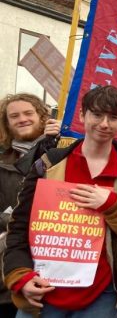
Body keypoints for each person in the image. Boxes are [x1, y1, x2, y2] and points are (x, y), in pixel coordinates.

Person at [3, 86, 117, 317]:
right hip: (43, 287)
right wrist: (20, 275)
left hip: (101, 293)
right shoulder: (48, 164)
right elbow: (19, 227)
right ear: (82, 116)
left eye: (113, 117)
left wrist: (112, 207)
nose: (104, 124)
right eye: (97, 114)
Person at [0, 93, 60, 317]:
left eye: (28, 113)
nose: (22, 119)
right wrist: (13, 219)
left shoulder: (58, 152)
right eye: (14, 116)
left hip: (53, 269)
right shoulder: (2, 159)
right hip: (8, 272)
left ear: (42, 117)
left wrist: (59, 141)